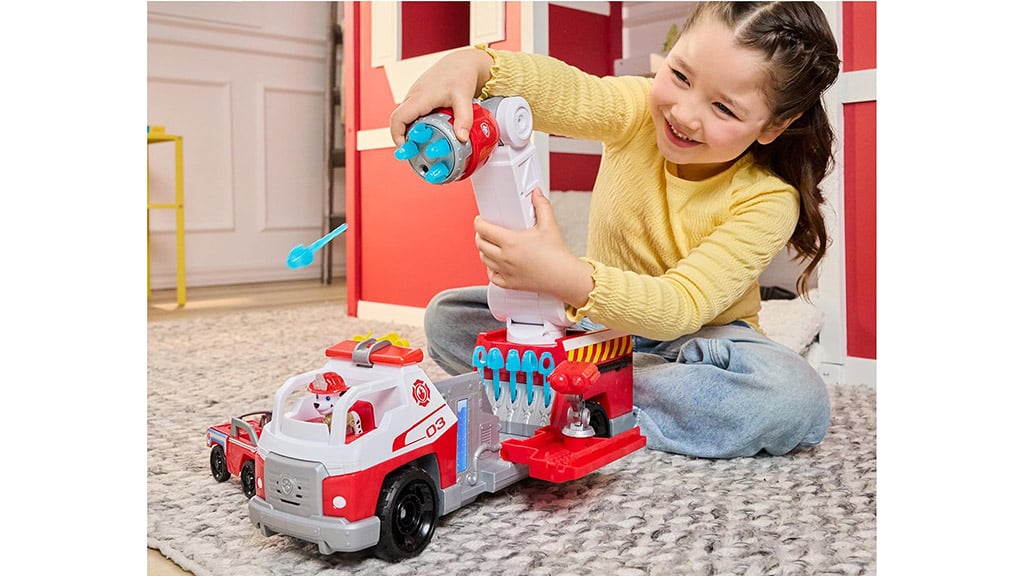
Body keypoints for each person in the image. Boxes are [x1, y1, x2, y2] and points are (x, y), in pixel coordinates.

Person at [389, 2, 840, 459]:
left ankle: (587, 395)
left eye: (723, 108)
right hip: (596, 329)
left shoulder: (769, 199)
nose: (684, 113)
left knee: (792, 395)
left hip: (702, 341)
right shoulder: (638, 109)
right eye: (680, 76)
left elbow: (682, 306)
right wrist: (476, 65)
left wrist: (564, 276)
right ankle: (591, 391)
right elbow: (567, 92)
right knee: (447, 318)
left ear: (774, 126)